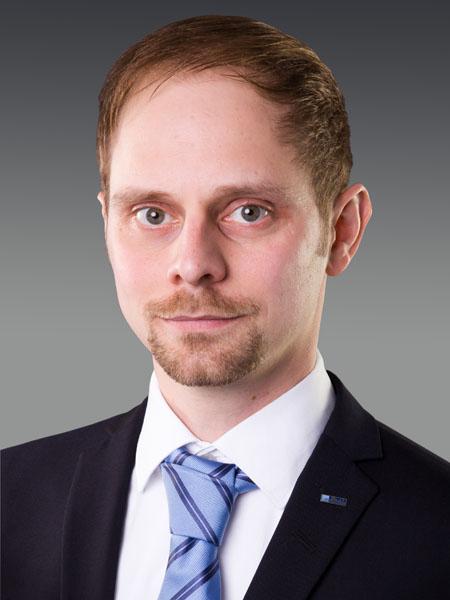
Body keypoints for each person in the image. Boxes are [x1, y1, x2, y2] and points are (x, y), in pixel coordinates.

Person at [2, 14, 450, 600]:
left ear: (342, 231)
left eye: (248, 211)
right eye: (153, 214)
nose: (193, 264)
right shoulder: (9, 501)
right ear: (107, 225)